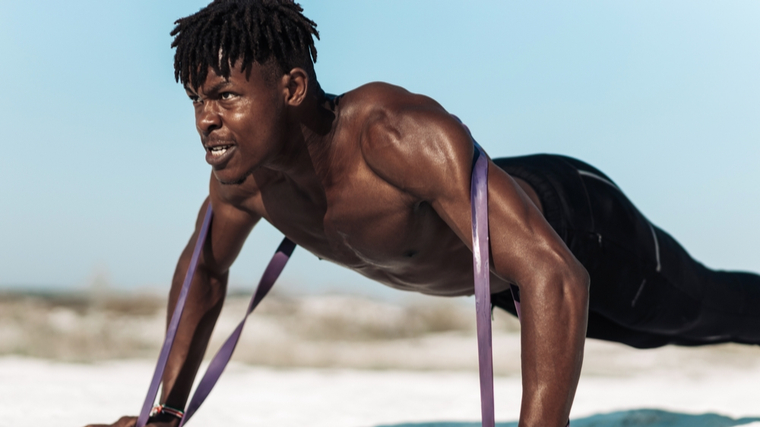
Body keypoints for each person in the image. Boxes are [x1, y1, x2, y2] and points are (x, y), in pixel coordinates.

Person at [87, 1, 760, 426]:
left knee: (700, 311)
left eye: (225, 95)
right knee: (655, 337)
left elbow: (556, 276)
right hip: (506, 284)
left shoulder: (393, 133)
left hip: (574, 219)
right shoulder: (244, 182)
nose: (206, 119)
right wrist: (163, 412)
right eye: (196, 101)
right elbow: (204, 270)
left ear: (291, 87)